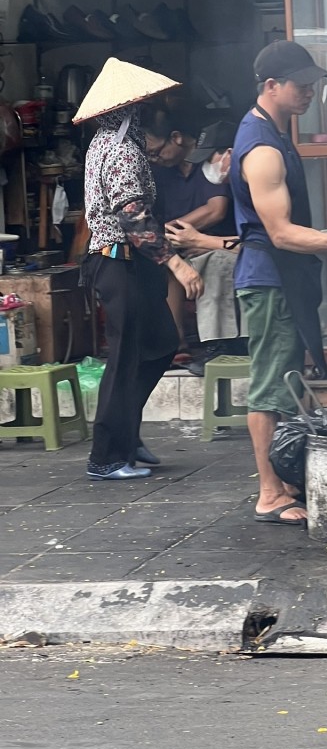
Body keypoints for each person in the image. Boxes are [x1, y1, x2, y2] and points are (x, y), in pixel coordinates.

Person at [231, 41, 327, 525]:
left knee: (286, 379)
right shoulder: (261, 148)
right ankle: (269, 492)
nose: (310, 93)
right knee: (269, 387)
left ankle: (285, 480)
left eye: (314, 85)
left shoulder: (274, 133)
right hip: (269, 278)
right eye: (301, 85)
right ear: (271, 86)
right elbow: (279, 232)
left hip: (281, 276)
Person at [76, 58, 204, 481]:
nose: (152, 108)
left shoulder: (112, 143)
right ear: (131, 107)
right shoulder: (120, 150)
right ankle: (107, 456)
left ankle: (125, 433)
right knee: (127, 357)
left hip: (127, 263)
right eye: (146, 103)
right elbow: (133, 218)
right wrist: (178, 265)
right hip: (117, 260)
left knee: (162, 343)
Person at [143, 106, 233, 362]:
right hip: (178, 244)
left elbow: (216, 211)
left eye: (157, 152)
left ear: (177, 137)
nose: (155, 159)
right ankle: (176, 343)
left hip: (217, 242)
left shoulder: (211, 161)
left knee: (205, 262)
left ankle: (216, 346)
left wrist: (166, 230)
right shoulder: (161, 172)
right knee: (165, 265)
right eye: (150, 155)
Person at [164, 121, 244, 368]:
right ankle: (174, 344)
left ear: (229, 153)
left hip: (250, 257)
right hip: (229, 247)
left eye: (211, 158)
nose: (208, 168)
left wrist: (206, 242)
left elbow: (255, 243)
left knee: (216, 262)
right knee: (173, 264)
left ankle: (218, 347)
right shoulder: (237, 182)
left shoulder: (256, 185)